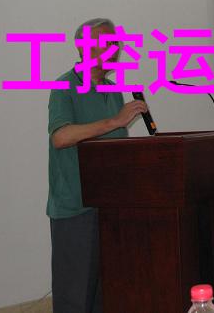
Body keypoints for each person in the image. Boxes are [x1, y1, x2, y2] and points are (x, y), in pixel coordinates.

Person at [48, 18, 147, 313]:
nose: (114, 48)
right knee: (75, 297)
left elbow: (115, 144)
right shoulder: (64, 86)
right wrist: (114, 121)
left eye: (115, 42)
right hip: (76, 208)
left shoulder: (112, 90)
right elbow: (61, 137)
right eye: (106, 42)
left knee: (107, 294)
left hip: (111, 206)